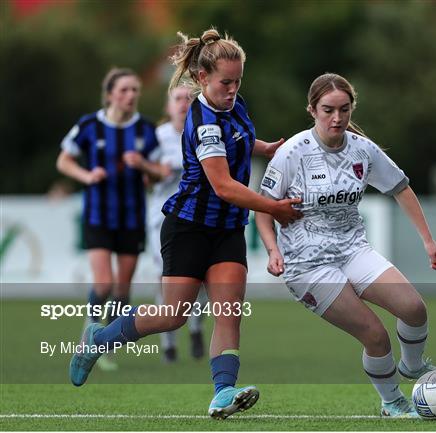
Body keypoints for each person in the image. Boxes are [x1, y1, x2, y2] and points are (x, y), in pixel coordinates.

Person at [69, 28, 302, 419]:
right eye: (226, 82)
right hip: (188, 228)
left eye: (238, 81)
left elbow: (241, 136)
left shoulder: (234, 104)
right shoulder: (203, 120)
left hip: (227, 229)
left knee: (229, 312)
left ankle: (223, 393)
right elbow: (224, 185)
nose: (233, 89)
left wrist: (264, 147)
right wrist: (274, 208)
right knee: (173, 315)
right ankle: (100, 339)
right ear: (202, 78)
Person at [255, 73, 436, 418]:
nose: (337, 118)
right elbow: (263, 210)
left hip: (352, 249)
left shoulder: (362, 149)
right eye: (328, 109)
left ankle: (413, 367)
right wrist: (273, 250)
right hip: (307, 264)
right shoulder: (291, 153)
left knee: (414, 308)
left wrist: (428, 240)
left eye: (344, 109)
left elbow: (400, 187)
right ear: (312, 109)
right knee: (375, 335)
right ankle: (393, 403)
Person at [57, 67, 164, 370]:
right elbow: (63, 160)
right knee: (103, 283)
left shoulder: (145, 130)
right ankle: (89, 334)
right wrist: (86, 175)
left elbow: (160, 174)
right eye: (124, 90)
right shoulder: (90, 126)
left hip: (131, 217)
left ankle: (106, 343)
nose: (131, 96)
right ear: (109, 95)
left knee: (122, 288)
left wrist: (143, 165)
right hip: (98, 215)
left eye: (135, 91)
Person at [149, 81, 208, 362]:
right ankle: (168, 345)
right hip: (162, 220)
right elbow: (142, 175)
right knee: (167, 282)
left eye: (188, 98)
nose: (183, 103)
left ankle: (196, 329)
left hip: (199, 217)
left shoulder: (204, 132)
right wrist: (153, 171)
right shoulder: (157, 137)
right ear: (167, 105)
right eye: (178, 98)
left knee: (203, 281)